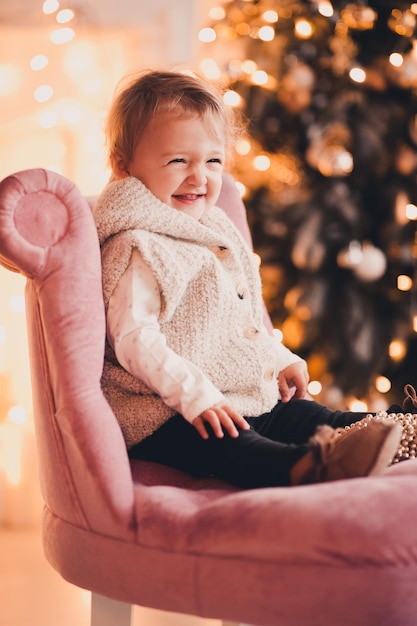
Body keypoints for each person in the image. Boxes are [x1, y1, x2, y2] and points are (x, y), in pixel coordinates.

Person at [93, 69, 405, 488]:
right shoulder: (139, 244)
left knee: (311, 416)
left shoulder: (214, 230)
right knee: (229, 441)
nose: (199, 177)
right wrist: (195, 397)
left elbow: (241, 323)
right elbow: (135, 340)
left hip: (237, 393)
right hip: (164, 410)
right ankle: (308, 467)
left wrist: (280, 360)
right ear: (123, 164)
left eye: (213, 160)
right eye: (178, 160)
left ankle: (398, 435)